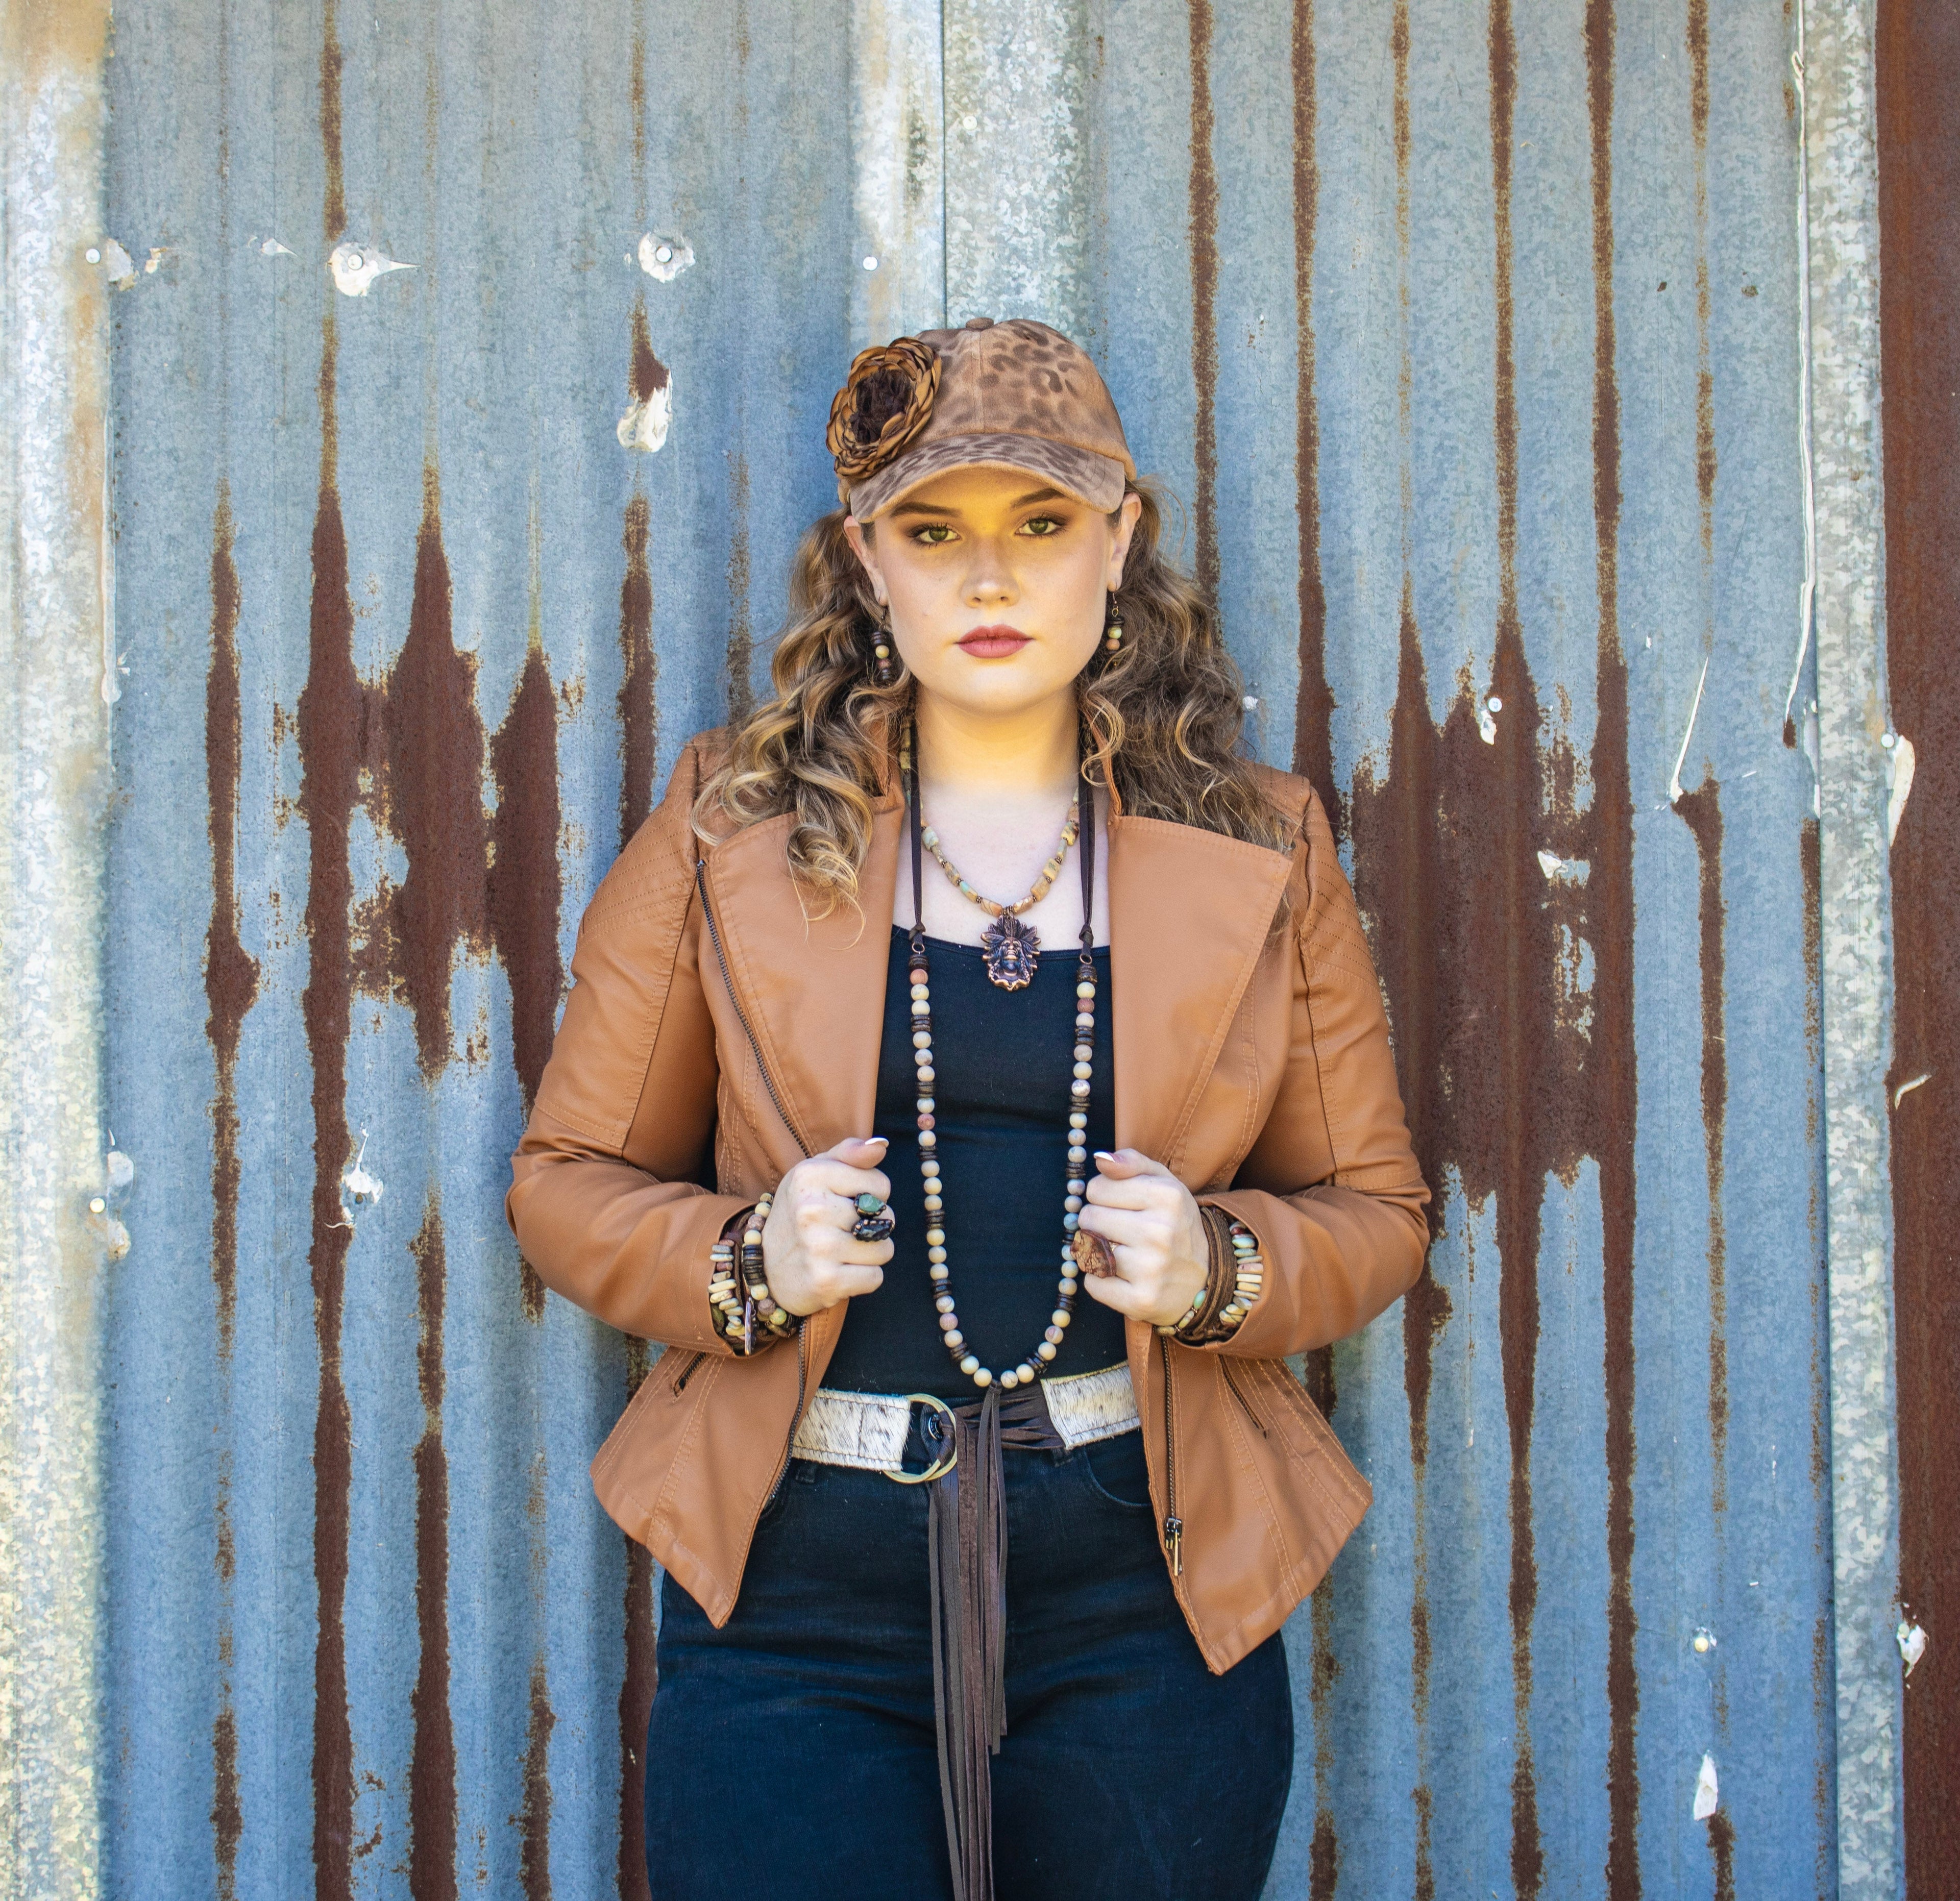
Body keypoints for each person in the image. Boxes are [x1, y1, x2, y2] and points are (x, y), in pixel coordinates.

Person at [506, 316, 1428, 1901]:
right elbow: (569, 1180)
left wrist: (1228, 1272)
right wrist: (744, 1261)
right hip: (797, 1586)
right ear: (867, 560)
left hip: (1146, 1584)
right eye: (934, 533)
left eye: (1042, 525)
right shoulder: (727, 827)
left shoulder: (1264, 842)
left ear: (1120, 539)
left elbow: (1376, 1216)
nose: (988, 583)